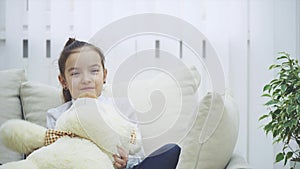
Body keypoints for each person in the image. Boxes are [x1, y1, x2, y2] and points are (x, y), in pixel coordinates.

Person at [46, 38, 181, 169]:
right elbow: (52, 157)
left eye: (94, 71)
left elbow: (138, 153)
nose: (86, 79)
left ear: (104, 75)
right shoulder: (56, 116)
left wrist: (125, 161)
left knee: (170, 151)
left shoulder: (120, 108)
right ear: (63, 81)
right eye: (76, 73)